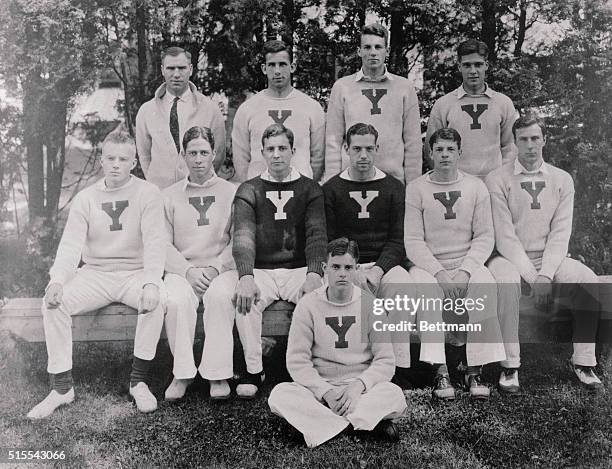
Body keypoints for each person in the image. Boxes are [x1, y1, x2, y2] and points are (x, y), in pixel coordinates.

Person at [27, 130, 166, 419]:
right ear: (101, 160)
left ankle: (138, 381)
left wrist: (152, 282)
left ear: (134, 162)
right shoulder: (86, 198)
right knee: (54, 302)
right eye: (111, 158)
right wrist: (57, 281)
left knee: (158, 300)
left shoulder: (148, 193)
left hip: (134, 273)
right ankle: (62, 387)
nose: (116, 164)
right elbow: (70, 247)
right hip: (96, 274)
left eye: (123, 159)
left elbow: (155, 243)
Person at [199, 123, 327, 400]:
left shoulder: (310, 189)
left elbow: (317, 235)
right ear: (262, 153)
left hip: (298, 268)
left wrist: (314, 273)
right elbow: (243, 236)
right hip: (262, 269)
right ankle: (254, 370)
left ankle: (310, 368)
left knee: (319, 297)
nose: (277, 155)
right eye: (270, 149)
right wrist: (246, 276)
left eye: (282, 148)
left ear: (293, 151)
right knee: (245, 298)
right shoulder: (249, 188)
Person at [485, 114, 603, 392]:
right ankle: (510, 366)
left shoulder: (562, 179)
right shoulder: (497, 179)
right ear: (514, 142)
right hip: (509, 257)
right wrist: (531, 274)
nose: (529, 145)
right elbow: (504, 236)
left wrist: (545, 274)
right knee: (504, 282)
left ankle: (584, 362)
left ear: (544, 140)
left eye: (535, 138)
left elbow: (561, 234)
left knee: (588, 280)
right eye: (523, 139)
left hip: (550, 258)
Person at [268, 237, 407, 448]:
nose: (342, 273)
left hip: (360, 390)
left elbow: (385, 361)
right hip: (321, 391)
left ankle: (323, 424)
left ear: (356, 269)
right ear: (324, 268)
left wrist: (357, 387)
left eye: (348, 267)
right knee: (280, 395)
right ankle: (360, 424)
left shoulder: (371, 305)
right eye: (336, 266)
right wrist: (326, 393)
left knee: (394, 395)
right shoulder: (308, 305)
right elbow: (298, 362)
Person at [323, 122, 427, 387]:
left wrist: (378, 270)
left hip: (383, 264)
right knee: (342, 289)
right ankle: (351, 365)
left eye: (369, 148)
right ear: (346, 149)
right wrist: (353, 270)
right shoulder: (332, 188)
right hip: (348, 265)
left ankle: (398, 367)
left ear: (377, 149)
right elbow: (330, 239)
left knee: (403, 287)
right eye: (356, 148)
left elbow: (398, 239)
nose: (363, 155)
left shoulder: (393, 187)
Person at [405, 127, 506, 400]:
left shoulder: (475, 187)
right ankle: (441, 372)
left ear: (460, 153)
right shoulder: (416, 189)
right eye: (439, 149)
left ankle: (475, 370)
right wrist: (439, 273)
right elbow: (413, 241)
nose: (445, 155)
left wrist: (465, 271)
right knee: (426, 291)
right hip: (429, 265)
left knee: (485, 284)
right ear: (430, 153)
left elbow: (485, 236)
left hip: (465, 263)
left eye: (450, 149)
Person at [162, 126, 236, 401]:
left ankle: (217, 374)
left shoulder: (232, 192)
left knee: (220, 297)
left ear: (214, 154)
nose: (198, 159)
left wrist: (216, 268)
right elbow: (162, 243)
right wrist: (187, 271)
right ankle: (182, 373)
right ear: (183, 155)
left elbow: (237, 240)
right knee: (176, 300)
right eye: (192, 153)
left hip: (221, 268)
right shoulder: (169, 195)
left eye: (204, 152)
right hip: (184, 270)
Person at [325, 23, 422, 185]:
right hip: (351, 180)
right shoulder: (342, 87)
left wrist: (413, 187)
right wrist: (332, 184)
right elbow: (333, 141)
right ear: (359, 51)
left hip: (392, 180)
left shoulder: (404, 88)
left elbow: (413, 142)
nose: (373, 53)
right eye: (367, 47)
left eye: (378, 47)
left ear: (387, 51)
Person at [231, 40, 325, 182]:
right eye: (271, 65)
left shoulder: (311, 107)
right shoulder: (247, 109)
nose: (277, 71)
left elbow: (318, 157)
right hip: (259, 193)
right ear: (264, 68)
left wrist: (307, 186)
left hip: (300, 193)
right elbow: (241, 158)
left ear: (292, 67)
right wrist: (251, 188)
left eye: (282, 64)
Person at [425, 39, 517, 180]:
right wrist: (449, 179)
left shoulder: (503, 103)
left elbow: (510, 147)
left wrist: (501, 179)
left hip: (494, 184)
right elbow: (431, 150)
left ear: (486, 65)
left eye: (478, 65)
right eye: (467, 65)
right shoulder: (444, 104)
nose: (473, 71)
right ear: (459, 67)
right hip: (457, 184)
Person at [135, 46, 226, 189]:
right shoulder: (146, 111)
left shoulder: (210, 109)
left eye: (182, 68)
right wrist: (157, 183)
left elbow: (218, 154)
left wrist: (199, 179)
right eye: (171, 68)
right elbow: (144, 156)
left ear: (190, 69)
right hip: (161, 193)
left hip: (197, 191)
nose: (176, 74)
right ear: (162, 70)